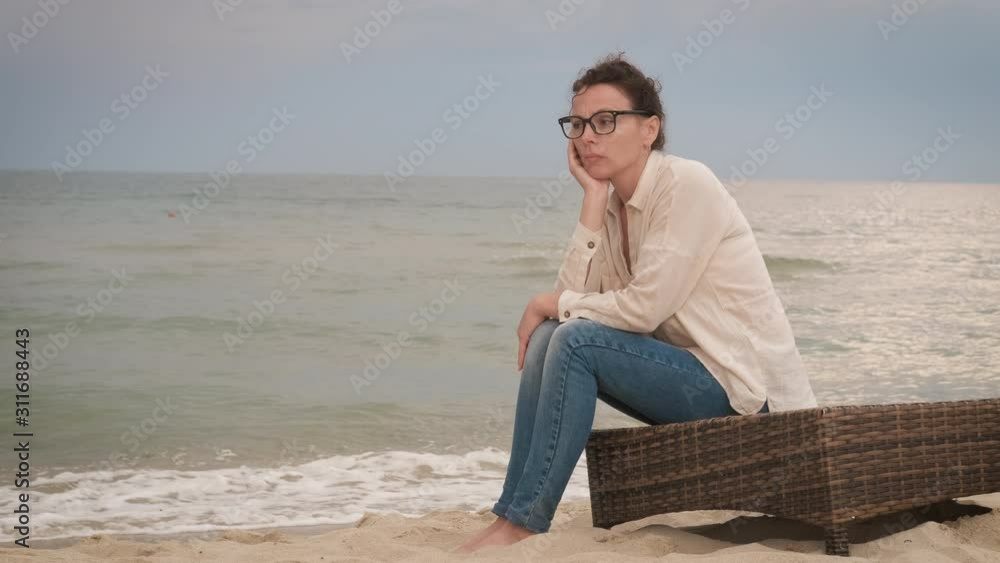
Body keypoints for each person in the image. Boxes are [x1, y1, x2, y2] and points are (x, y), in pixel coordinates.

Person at [456, 52, 817, 553]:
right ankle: (511, 515)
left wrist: (553, 301)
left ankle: (525, 520)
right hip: (694, 379)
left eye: (605, 121)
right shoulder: (614, 209)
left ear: (650, 129)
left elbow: (639, 310)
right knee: (550, 334)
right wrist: (591, 203)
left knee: (574, 337)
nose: (587, 135)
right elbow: (577, 302)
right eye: (578, 124)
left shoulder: (686, 184)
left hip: (749, 396)